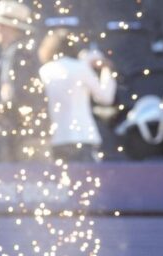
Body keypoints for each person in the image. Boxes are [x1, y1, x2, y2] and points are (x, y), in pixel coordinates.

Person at [0, 0, 47, 162]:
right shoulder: (22, 52)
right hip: (31, 132)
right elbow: (20, 94)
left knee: (28, 182)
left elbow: (15, 98)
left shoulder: (16, 54)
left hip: (25, 136)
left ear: (8, 27)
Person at [38, 29, 116, 162]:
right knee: (88, 181)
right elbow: (106, 98)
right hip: (83, 136)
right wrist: (106, 69)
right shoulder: (80, 68)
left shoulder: (44, 71)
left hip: (57, 138)